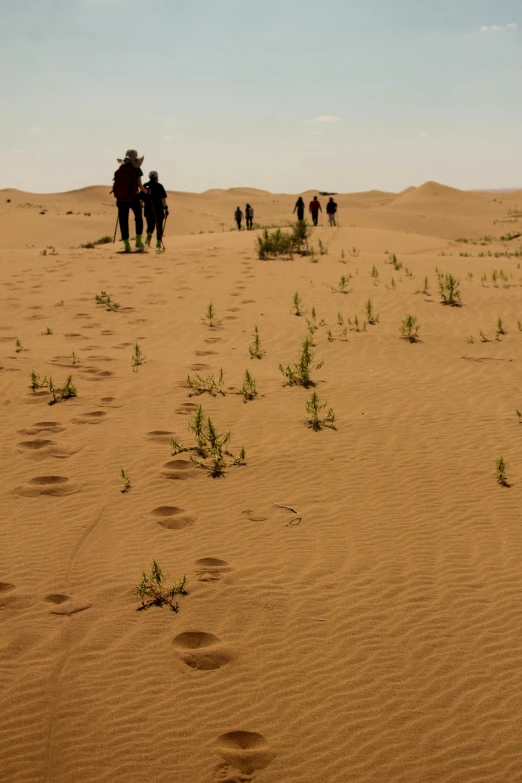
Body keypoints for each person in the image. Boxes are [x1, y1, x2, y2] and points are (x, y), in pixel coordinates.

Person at [112, 149, 148, 253]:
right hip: (133, 197)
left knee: (123, 220)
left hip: (121, 198)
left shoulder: (121, 167)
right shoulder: (136, 169)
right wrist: (147, 192)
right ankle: (138, 241)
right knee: (138, 218)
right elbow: (140, 186)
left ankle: (127, 245)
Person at [143, 170, 168, 250]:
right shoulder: (159, 186)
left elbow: (141, 198)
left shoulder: (145, 185)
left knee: (150, 225)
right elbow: (163, 198)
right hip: (158, 209)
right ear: (157, 177)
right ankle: (158, 244)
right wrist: (165, 207)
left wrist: (141, 206)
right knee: (159, 226)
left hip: (148, 209)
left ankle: (149, 234)